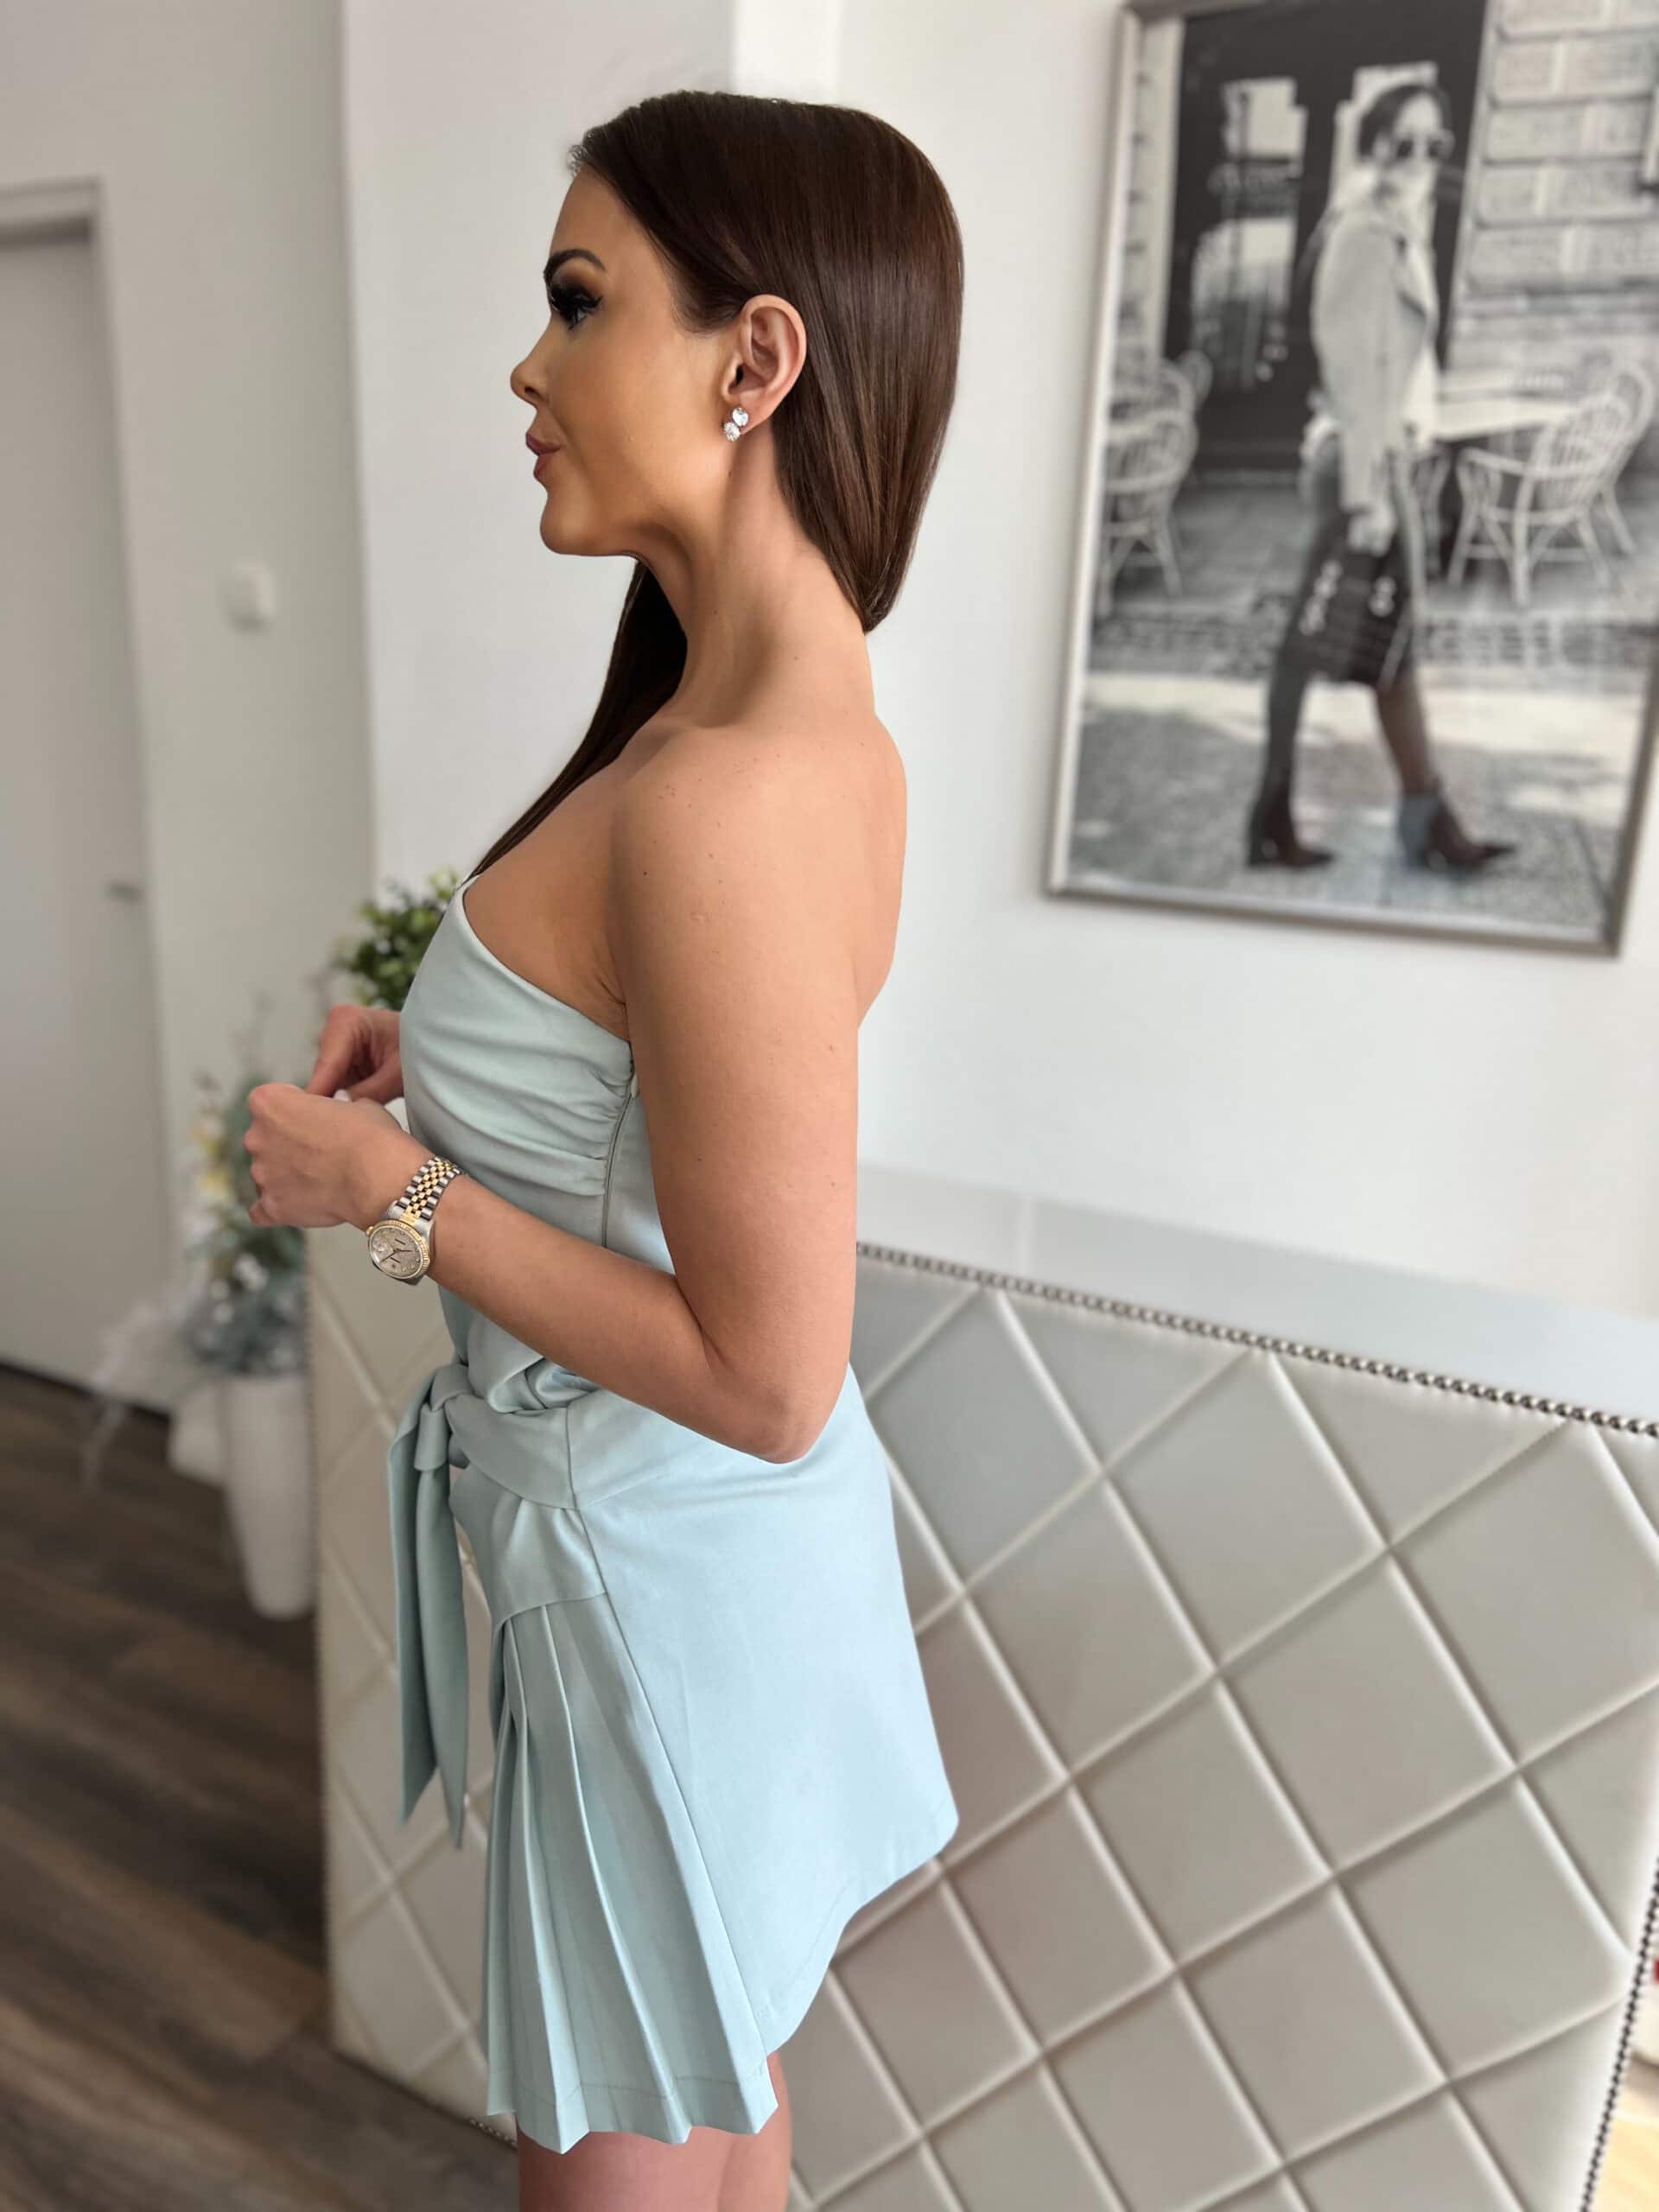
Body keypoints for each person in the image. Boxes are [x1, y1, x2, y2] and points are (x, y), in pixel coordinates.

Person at [247, 89, 963, 2212]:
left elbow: (766, 1370)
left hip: (657, 1593)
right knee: (723, 2100)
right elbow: (665, 1091)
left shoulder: (722, 789)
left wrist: (392, 1194)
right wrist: (456, 1070)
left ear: (758, 358)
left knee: (650, 2141)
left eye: (578, 300)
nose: (526, 366)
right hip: (694, 1577)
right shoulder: (790, 722)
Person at [1245, 80, 1516, 874]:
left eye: (1436, 144)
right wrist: (1368, 496)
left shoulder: (1401, 228)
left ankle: (1419, 818)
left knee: (1387, 647)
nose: (1421, 158)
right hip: (1360, 465)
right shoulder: (1364, 229)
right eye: (1405, 142)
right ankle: (1287, 817)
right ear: (1373, 145)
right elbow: (1351, 367)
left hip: (1385, 459)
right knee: (1316, 643)